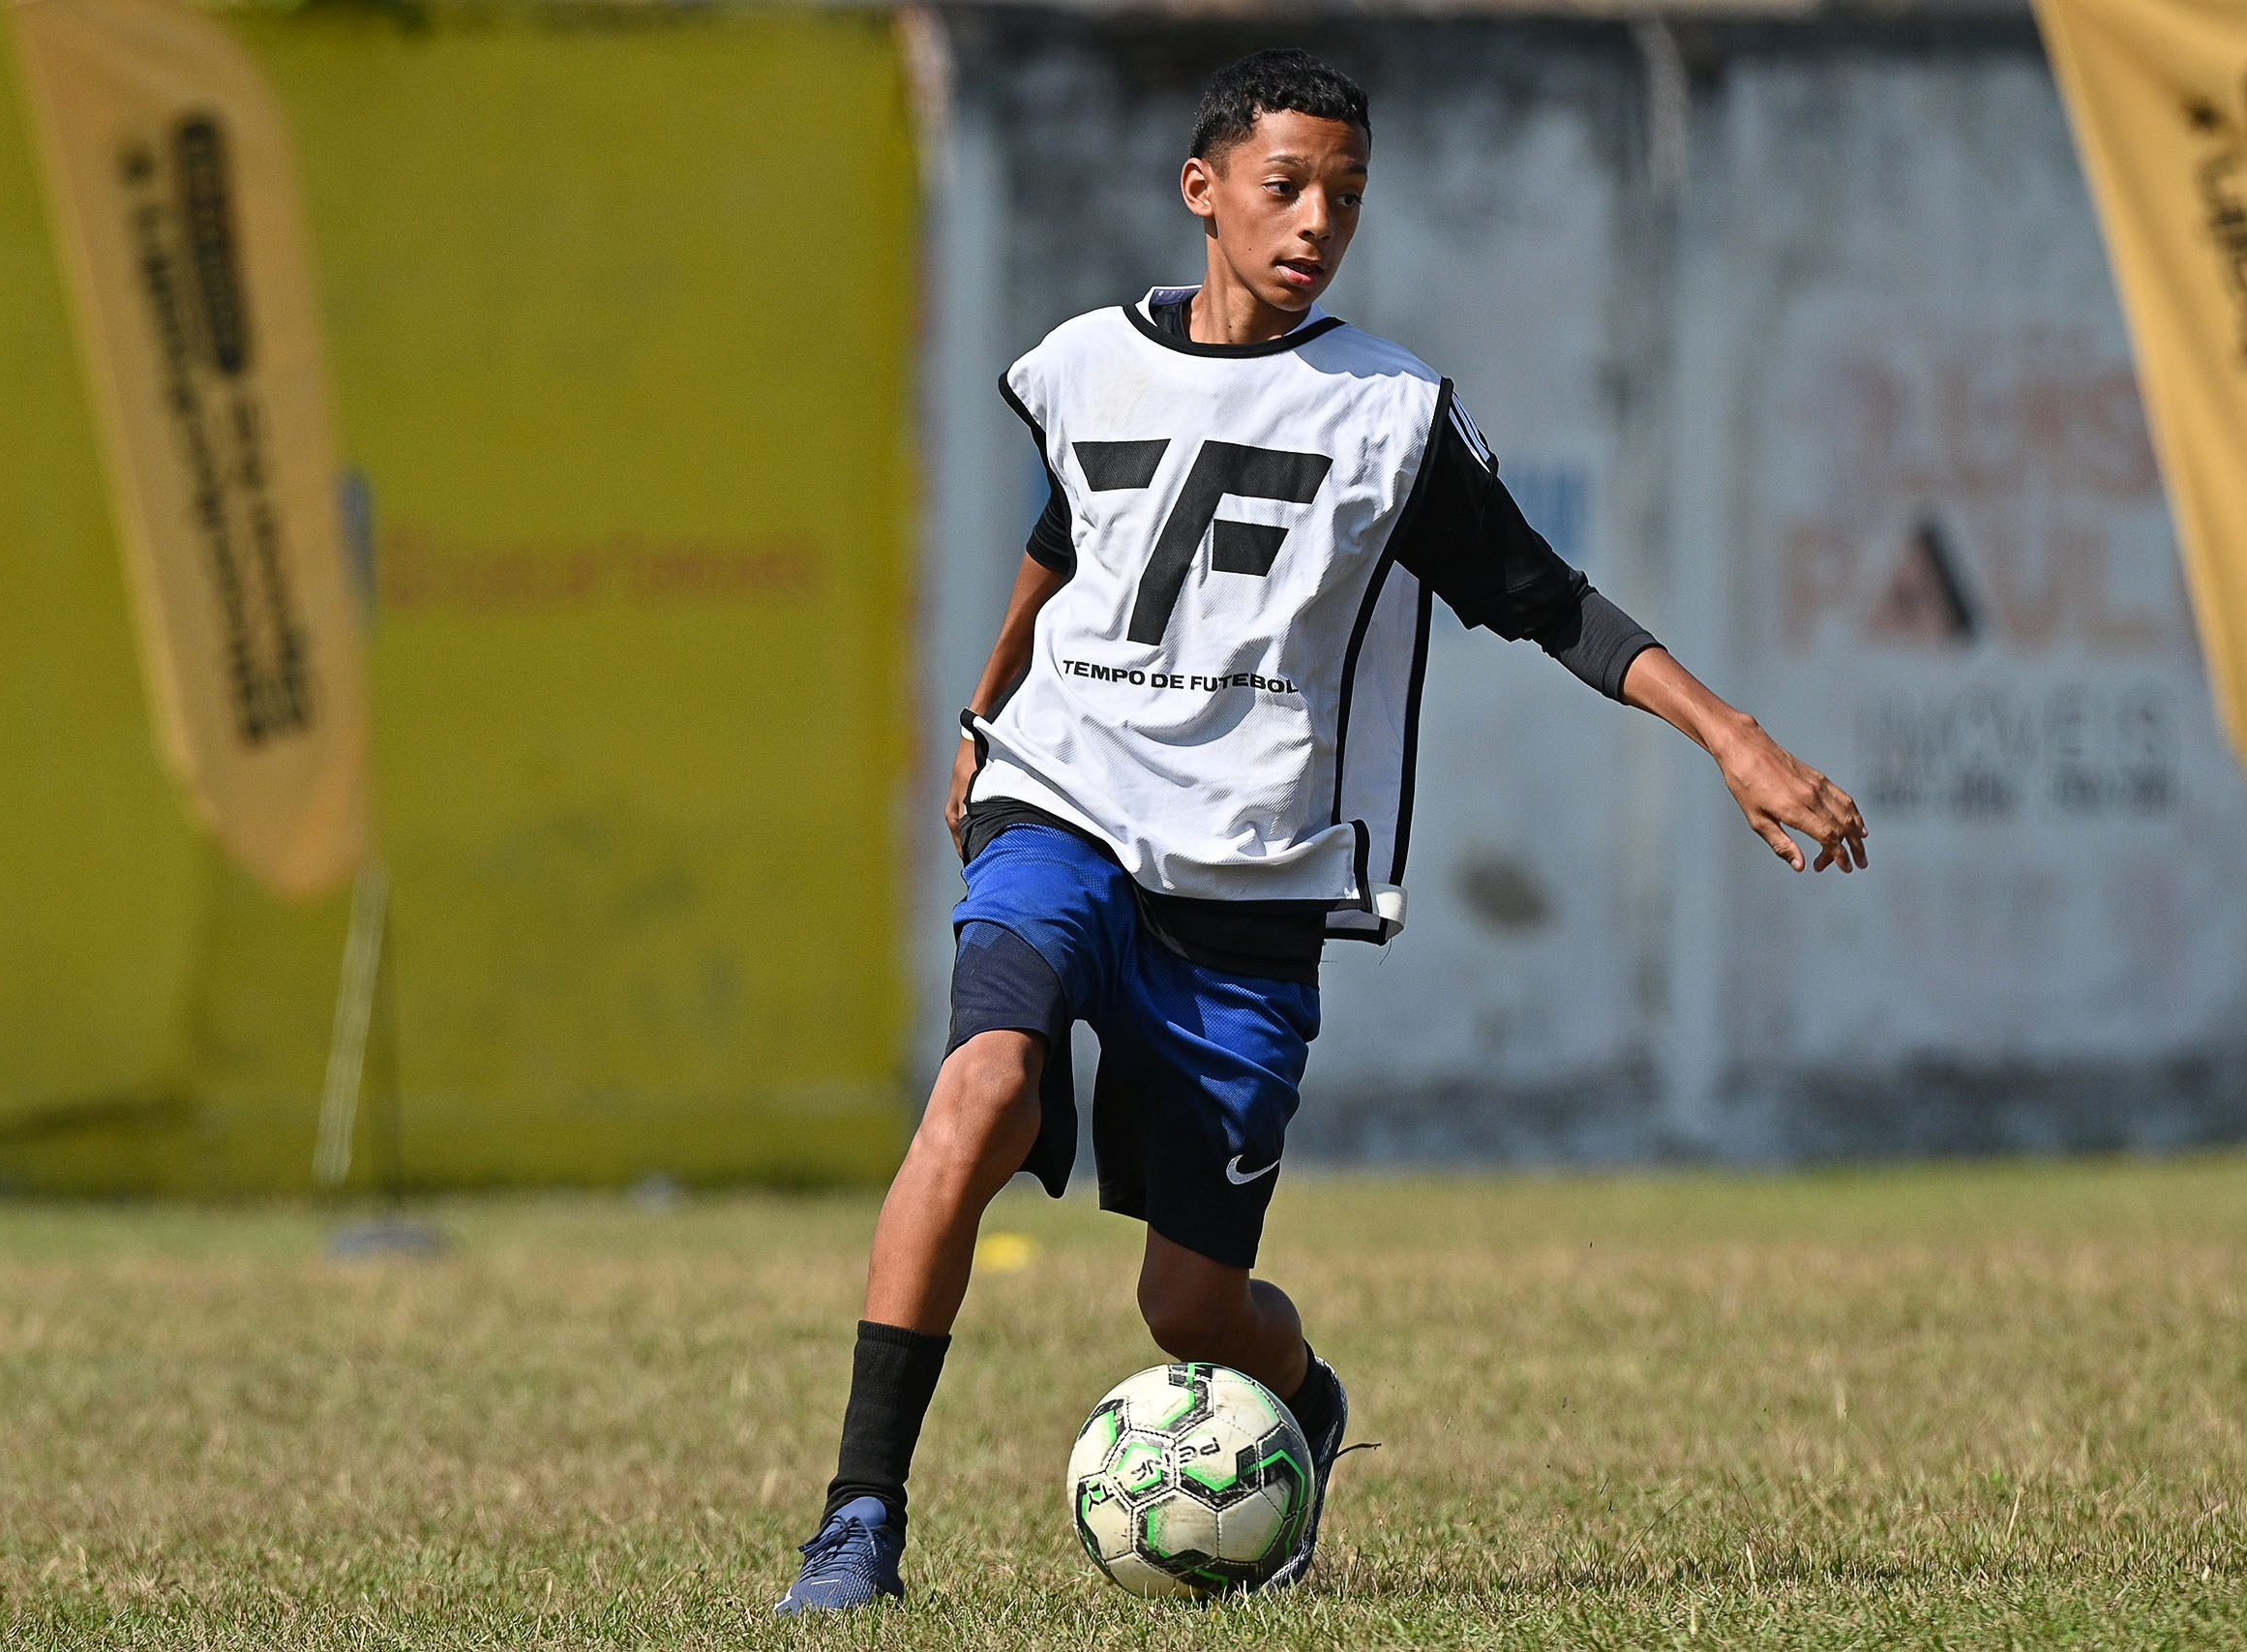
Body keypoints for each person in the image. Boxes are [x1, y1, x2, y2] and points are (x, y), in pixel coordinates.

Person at [776, 47, 1869, 1613]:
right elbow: (1066, 536)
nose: (1314, 225)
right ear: (1200, 190)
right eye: (1284, 188)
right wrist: (985, 707)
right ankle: (858, 1524)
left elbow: (1547, 603)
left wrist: (1736, 740)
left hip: (1251, 877)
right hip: (1063, 803)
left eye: (1344, 198)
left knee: (1188, 1303)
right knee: (985, 1091)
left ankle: (1310, 1397)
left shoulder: (1389, 415)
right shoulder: (1087, 359)